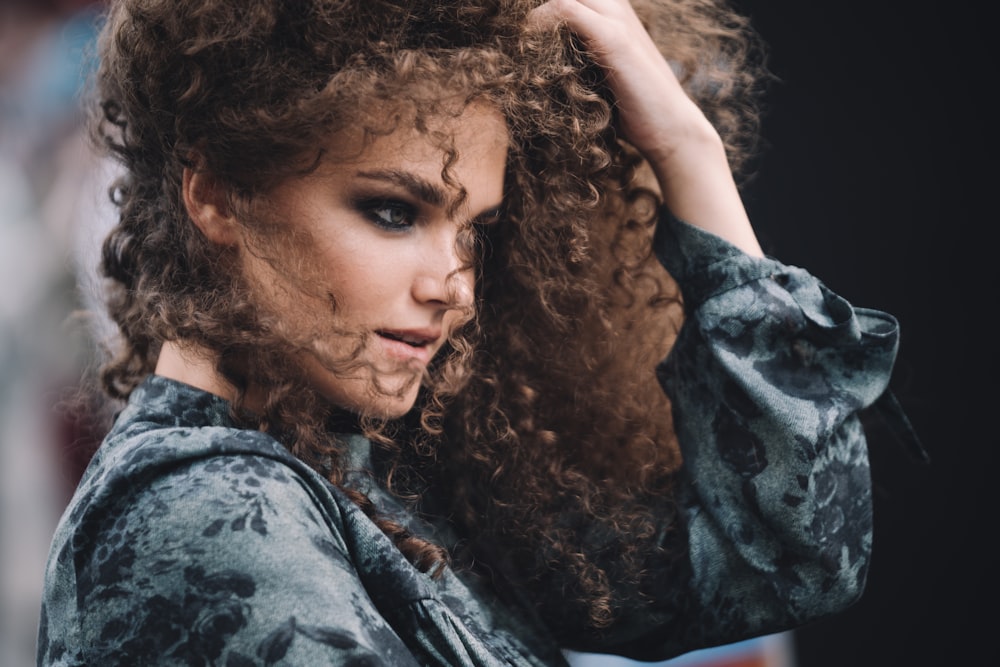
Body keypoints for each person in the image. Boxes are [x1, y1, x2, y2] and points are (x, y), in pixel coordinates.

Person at [36, 0, 905, 665]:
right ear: (216, 193)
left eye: (474, 232)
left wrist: (685, 145)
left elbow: (796, 556)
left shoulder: (394, 476)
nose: (451, 286)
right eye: (391, 210)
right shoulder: (196, 512)